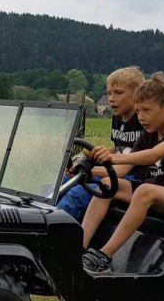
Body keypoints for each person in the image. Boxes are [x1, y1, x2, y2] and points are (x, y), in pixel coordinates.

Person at [81, 72, 164, 273]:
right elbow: (121, 171)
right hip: (156, 193)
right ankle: (80, 246)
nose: (141, 117)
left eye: (146, 110)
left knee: (145, 191)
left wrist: (112, 156)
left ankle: (103, 255)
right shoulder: (149, 133)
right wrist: (87, 171)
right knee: (107, 184)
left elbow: (152, 156)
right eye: (138, 111)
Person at [57, 66, 147, 220]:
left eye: (118, 93)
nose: (111, 98)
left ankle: (55, 234)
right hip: (115, 173)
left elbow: (123, 169)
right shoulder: (117, 118)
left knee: (76, 194)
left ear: (137, 94)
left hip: (133, 179)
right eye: (109, 93)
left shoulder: (145, 122)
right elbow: (120, 148)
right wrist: (90, 155)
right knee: (60, 183)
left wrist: (84, 170)